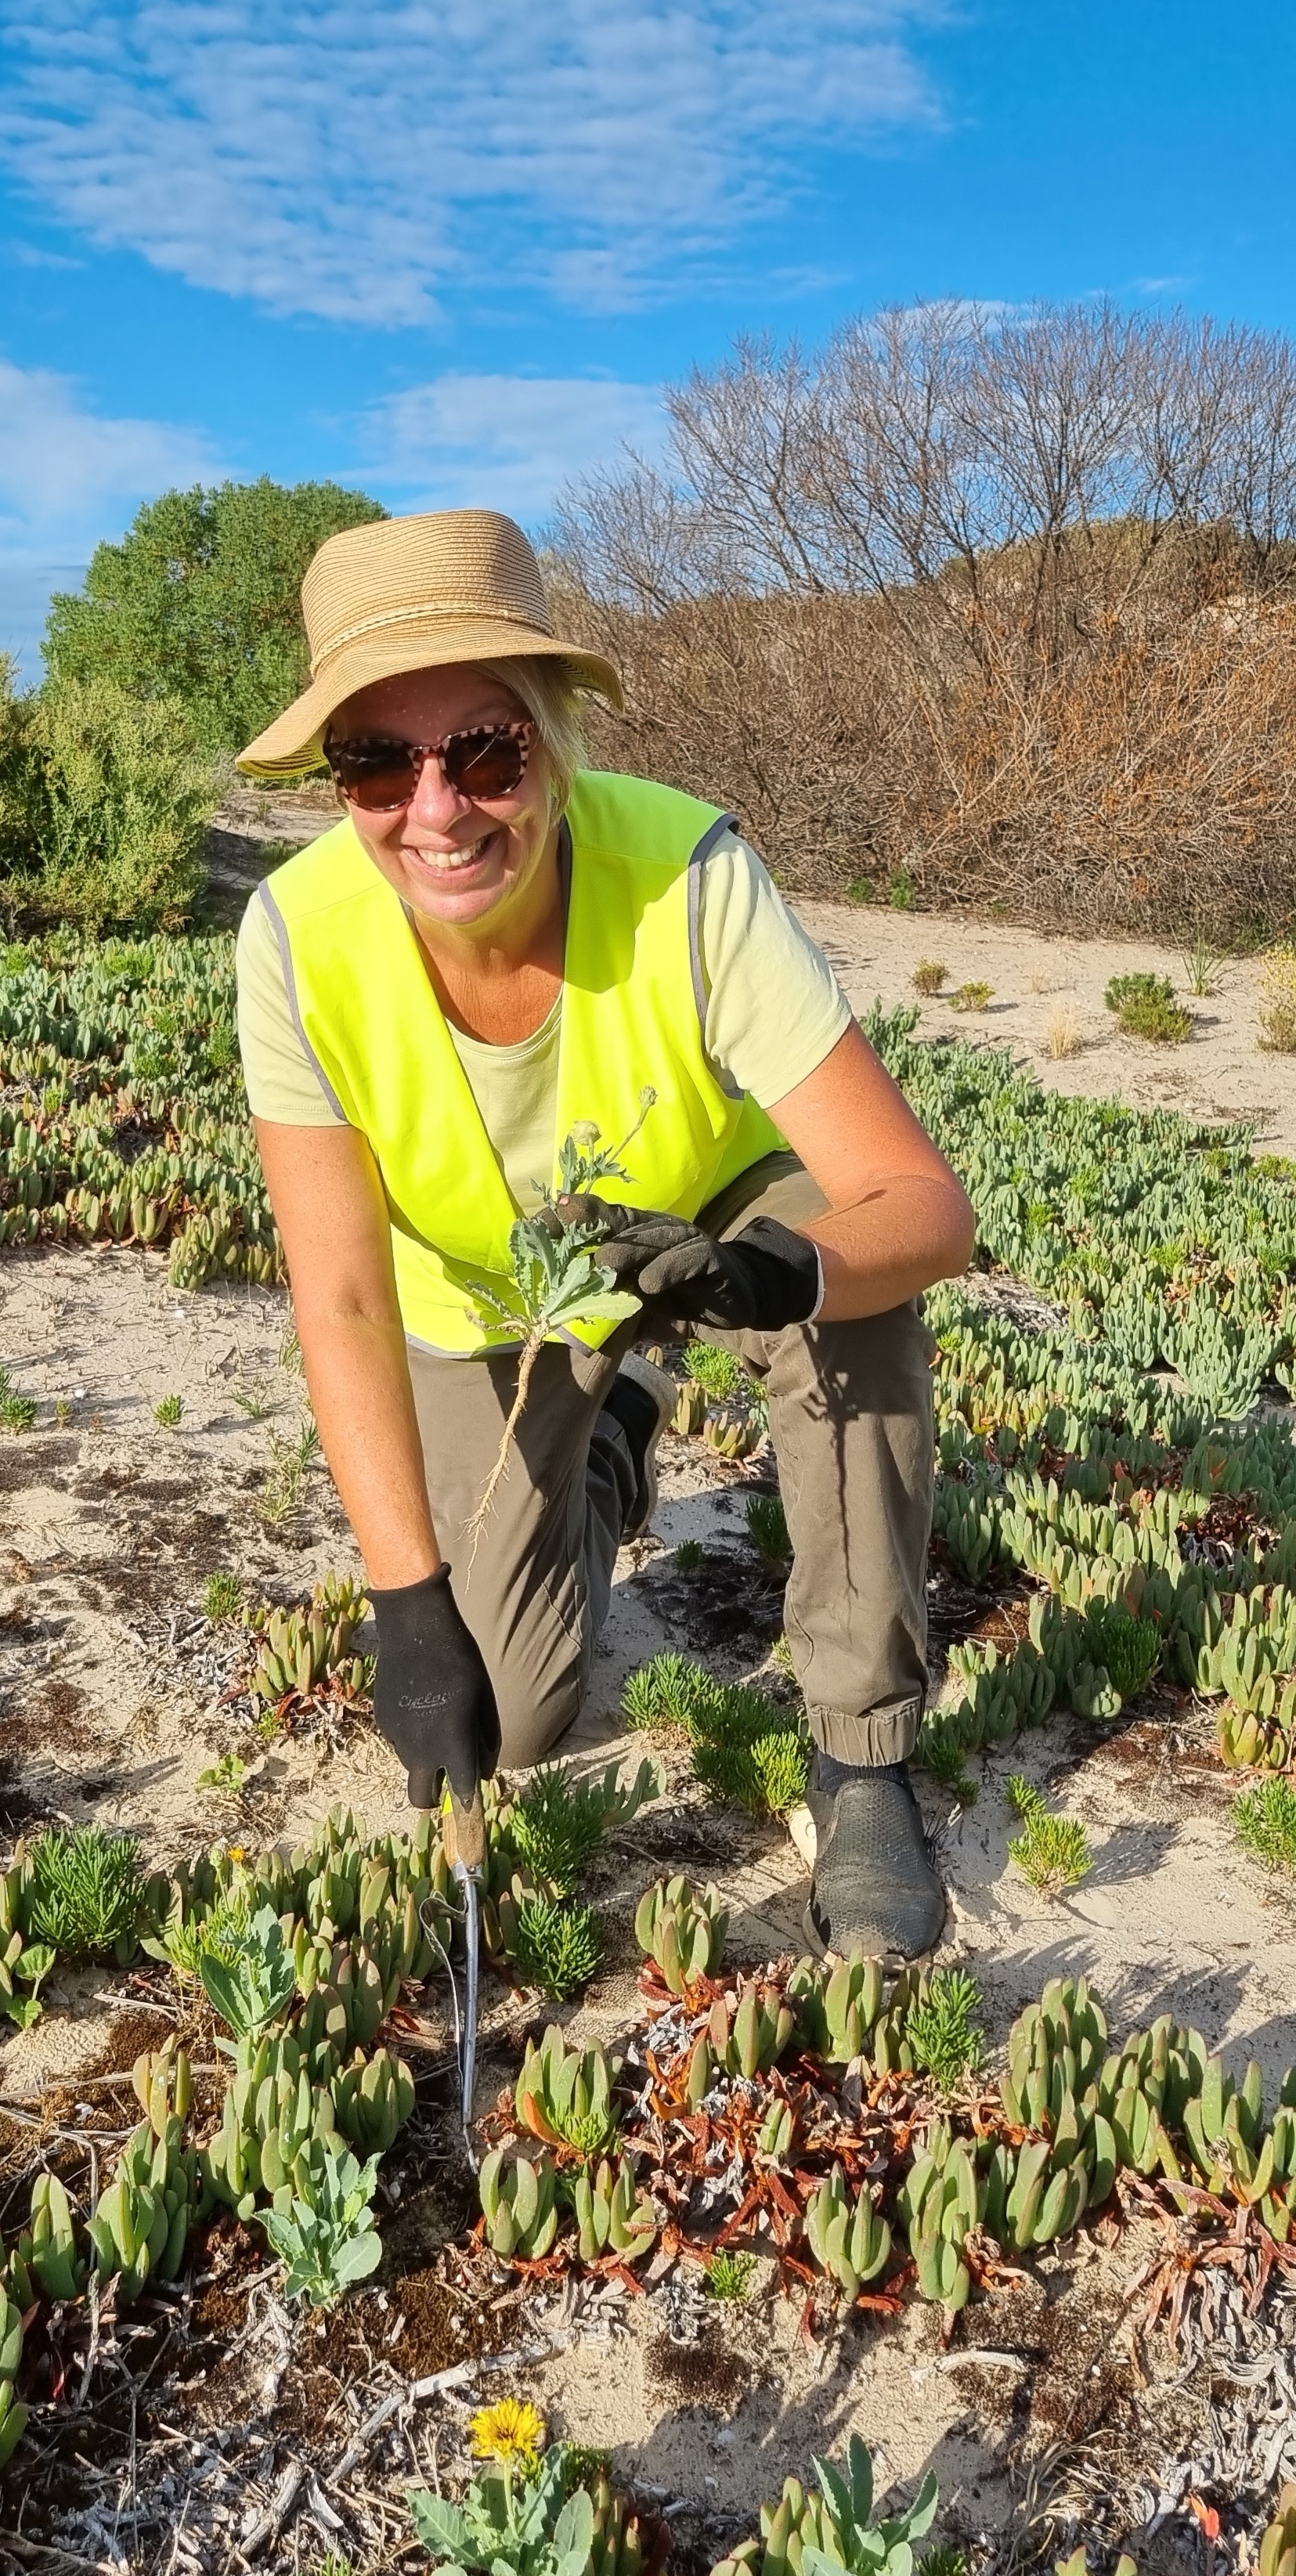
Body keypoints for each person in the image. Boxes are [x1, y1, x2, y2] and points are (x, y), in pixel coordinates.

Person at [235, 508, 974, 1959]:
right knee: (509, 1715)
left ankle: (863, 1744)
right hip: (485, 1306)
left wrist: (778, 1271)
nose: (437, 809)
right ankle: (622, 1424)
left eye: (487, 751)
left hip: (698, 1222)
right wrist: (403, 1604)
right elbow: (340, 1297)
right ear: (338, 784)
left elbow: (925, 1205)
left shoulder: (686, 870)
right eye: (378, 761)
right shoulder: (294, 939)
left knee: (856, 1280)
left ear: (557, 741)